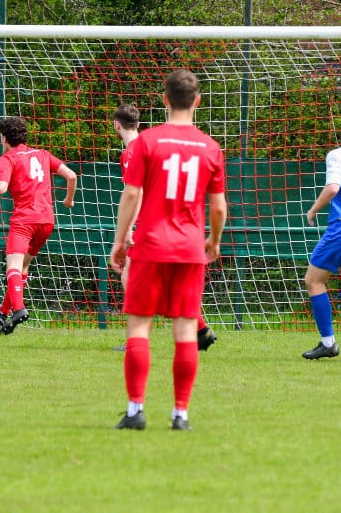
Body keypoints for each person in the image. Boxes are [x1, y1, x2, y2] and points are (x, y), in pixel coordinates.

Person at [108, 69, 227, 431]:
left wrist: (120, 240)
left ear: (164, 99)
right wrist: (214, 240)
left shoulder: (147, 141)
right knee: (186, 330)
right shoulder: (210, 147)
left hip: (149, 245)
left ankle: (135, 411)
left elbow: (132, 194)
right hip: (189, 248)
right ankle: (180, 415)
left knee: (139, 327)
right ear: (197, 101)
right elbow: (218, 207)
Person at [112, 104, 218, 352]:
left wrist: (127, 230)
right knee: (170, 284)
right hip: (176, 222)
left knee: (130, 277)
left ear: (116, 125)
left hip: (149, 225)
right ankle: (201, 330)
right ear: (138, 124)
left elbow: (136, 194)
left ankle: (136, 339)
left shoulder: (132, 152)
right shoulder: (155, 146)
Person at [0, 116, 77, 335]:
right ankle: (4, 311)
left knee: (12, 265)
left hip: (24, 220)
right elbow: (71, 176)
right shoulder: (43, 154)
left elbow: (1, 188)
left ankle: (19, 309)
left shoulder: (7, 159)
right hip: (46, 221)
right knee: (23, 267)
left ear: (4, 138)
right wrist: (68, 200)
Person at [301, 111, 341, 360]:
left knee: (314, 280)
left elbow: (332, 188)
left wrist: (313, 209)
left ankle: (328, 342)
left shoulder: (339, 155)